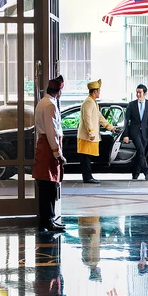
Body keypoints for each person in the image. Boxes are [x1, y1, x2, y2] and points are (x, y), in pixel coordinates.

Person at [34, 74, 69, 233]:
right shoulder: (50, 105)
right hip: (49, 147)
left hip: (45, 144)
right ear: (59, 91)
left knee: (47, 185)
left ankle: (49, 219)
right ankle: (48, 220)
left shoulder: (44, 102)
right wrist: (58, 153)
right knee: (48, 185)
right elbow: (52, 130)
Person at [76, 79, 113, 184]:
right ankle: (87, 177)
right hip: (86, 136)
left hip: (88, 136)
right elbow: (87, 118)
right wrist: (91, 132)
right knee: (86, 157)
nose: (99, 92)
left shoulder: (92, 102)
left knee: (87, 157)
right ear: (95, 91)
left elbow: (99, 117)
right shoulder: (88, 102)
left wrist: (110, 127)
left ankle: (88, 176)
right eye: (99, 90)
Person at [123, 84, 148, 181]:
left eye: (140, 92)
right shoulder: (131, 104)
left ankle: (135, 174)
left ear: (145, 93)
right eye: (137, 92)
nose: (138, 94)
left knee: (140, 152)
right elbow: (126, 121)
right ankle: (146, 173)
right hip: (135, 132)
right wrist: (126, 135)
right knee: (141, 151)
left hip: (145, 133)